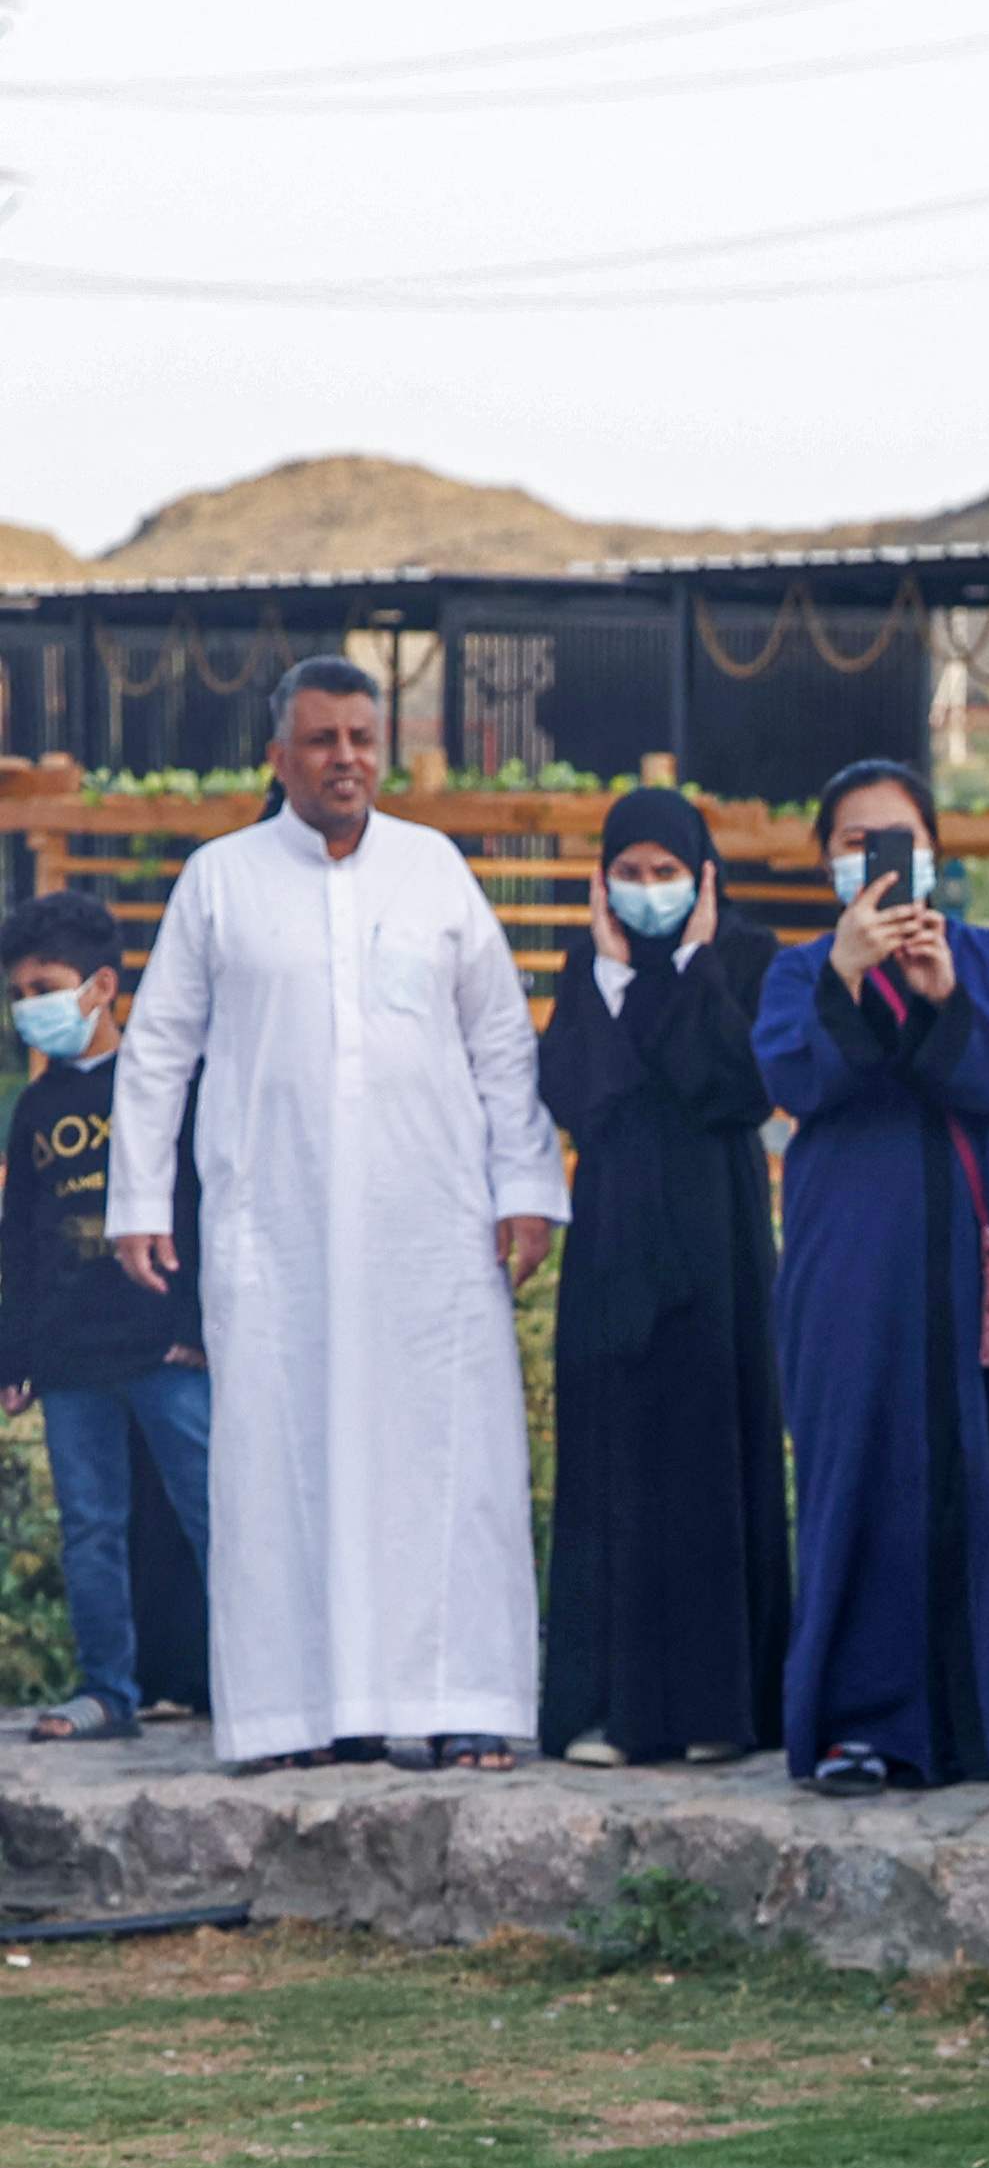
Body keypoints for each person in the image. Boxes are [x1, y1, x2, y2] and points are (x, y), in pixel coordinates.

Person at [109, 658, 557, 1771]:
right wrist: (137, 1202)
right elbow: (158, 1048)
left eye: (362, 736)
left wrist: (527, 1191)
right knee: (277, 1462)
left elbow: (501, 1042)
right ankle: (293, 1717)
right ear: (279, 754)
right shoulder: (220, 878)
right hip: (278, 1232)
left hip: (431, 1234)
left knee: (448, 1464)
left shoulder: (436, 869)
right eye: (322, 739)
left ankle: (462, 1701)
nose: (346, 757)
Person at [758, 757, 989, 1794]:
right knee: (856, 1473)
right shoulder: (798, 970)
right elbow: (795, 1077)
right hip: (849, 1273)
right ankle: (862, 1728)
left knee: (988, 1472)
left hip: (974, 1271)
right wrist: (846, 974)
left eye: (896, 839)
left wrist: (944, 993)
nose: (876, 860)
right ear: (827, 860)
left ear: (936, 853)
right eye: (853, 842)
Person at [533, 788, 790, 1768]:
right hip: (613, 1244)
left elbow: (730, 1083)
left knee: (714, 1456)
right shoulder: (588, 963)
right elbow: (581, 1098)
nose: (648, 892)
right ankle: (610, 1708)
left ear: (703, 874)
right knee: (615, 1459)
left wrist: (687, 967)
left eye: (666, 873)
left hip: (717, 1239)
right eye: (629, 874)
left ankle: (721, 1705)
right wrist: (609, 972)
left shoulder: (746, 958)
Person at [0, 891, 207, 1742]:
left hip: (162, 1344)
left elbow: (199, 1206)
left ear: (102, 987)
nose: (27, 1009)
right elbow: (21, 1240)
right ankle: (107, 1691)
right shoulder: (33, 1112)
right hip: (71, 1357)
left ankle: (254, 1678)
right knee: (90, 1527)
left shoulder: (161, 1086)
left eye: (44, 987)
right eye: (16, 996)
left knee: (211, 1512)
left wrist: (196, 1319)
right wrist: (15, 1350)